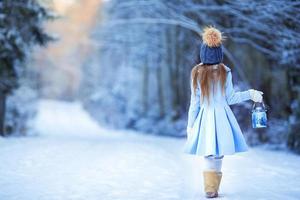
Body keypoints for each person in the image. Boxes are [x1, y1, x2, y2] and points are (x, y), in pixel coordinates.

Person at [183, 26, 263, 198]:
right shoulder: (224, 72)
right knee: (218, 155)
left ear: (203, 54)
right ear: (219, 54)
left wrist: (190, 126)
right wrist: (250, 94)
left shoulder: (196, 73)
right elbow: (231, 98)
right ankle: (213, 189)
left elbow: (194, 103)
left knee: (208, 153)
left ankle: (210, 189)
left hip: (205, 118)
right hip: (222, 118)